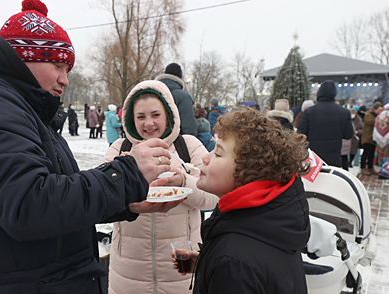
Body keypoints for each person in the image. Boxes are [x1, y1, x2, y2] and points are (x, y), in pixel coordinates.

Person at [0, 1, 183, 293]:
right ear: (23, 58)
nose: (65, 79)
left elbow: (54, 197)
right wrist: (126, 175)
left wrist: (125, 199)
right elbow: (27, 205)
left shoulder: (21, 109)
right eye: (58, 65)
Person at [171, 108, 310, 293]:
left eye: (218, 153)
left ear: (246, 174)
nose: (205, 157)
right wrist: (206, 264)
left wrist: (224, 266)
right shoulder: (271, 225)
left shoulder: (234, 262)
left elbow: (242, 267)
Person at [102, 80, 218, 294]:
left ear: (169, 116)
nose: (149, 124)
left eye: (156, 115)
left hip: (181, 268)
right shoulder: (120, 149)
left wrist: (183, 182)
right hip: (128, 271)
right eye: (141, 117)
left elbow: (213, 197)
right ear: (130, 119)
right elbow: (102, 199)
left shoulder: (189, 146)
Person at [297, 80, 354, 167]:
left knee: (314, 180)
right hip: (334, 157)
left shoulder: (309, 112)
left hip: (313, 159)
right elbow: (348, 134)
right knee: (332, 179)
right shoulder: (344, 112)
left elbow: (300, 134)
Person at [155, 63, 197, 136]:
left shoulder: (152, 93)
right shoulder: (183, 96)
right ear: (179, 77)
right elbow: (189, 126)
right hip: (175, 143)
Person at [360, 101, 384, 175]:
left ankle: (370, 168)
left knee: (371, 154)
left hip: (374, 138)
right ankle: (362, 168)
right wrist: (381, 118)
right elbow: (371, 122)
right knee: (366, 153)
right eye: (379, 110)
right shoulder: (368, 115)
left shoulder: (376, 115)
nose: (381, 112)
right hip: (368, 138)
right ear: (375, 109)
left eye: (382, 110)